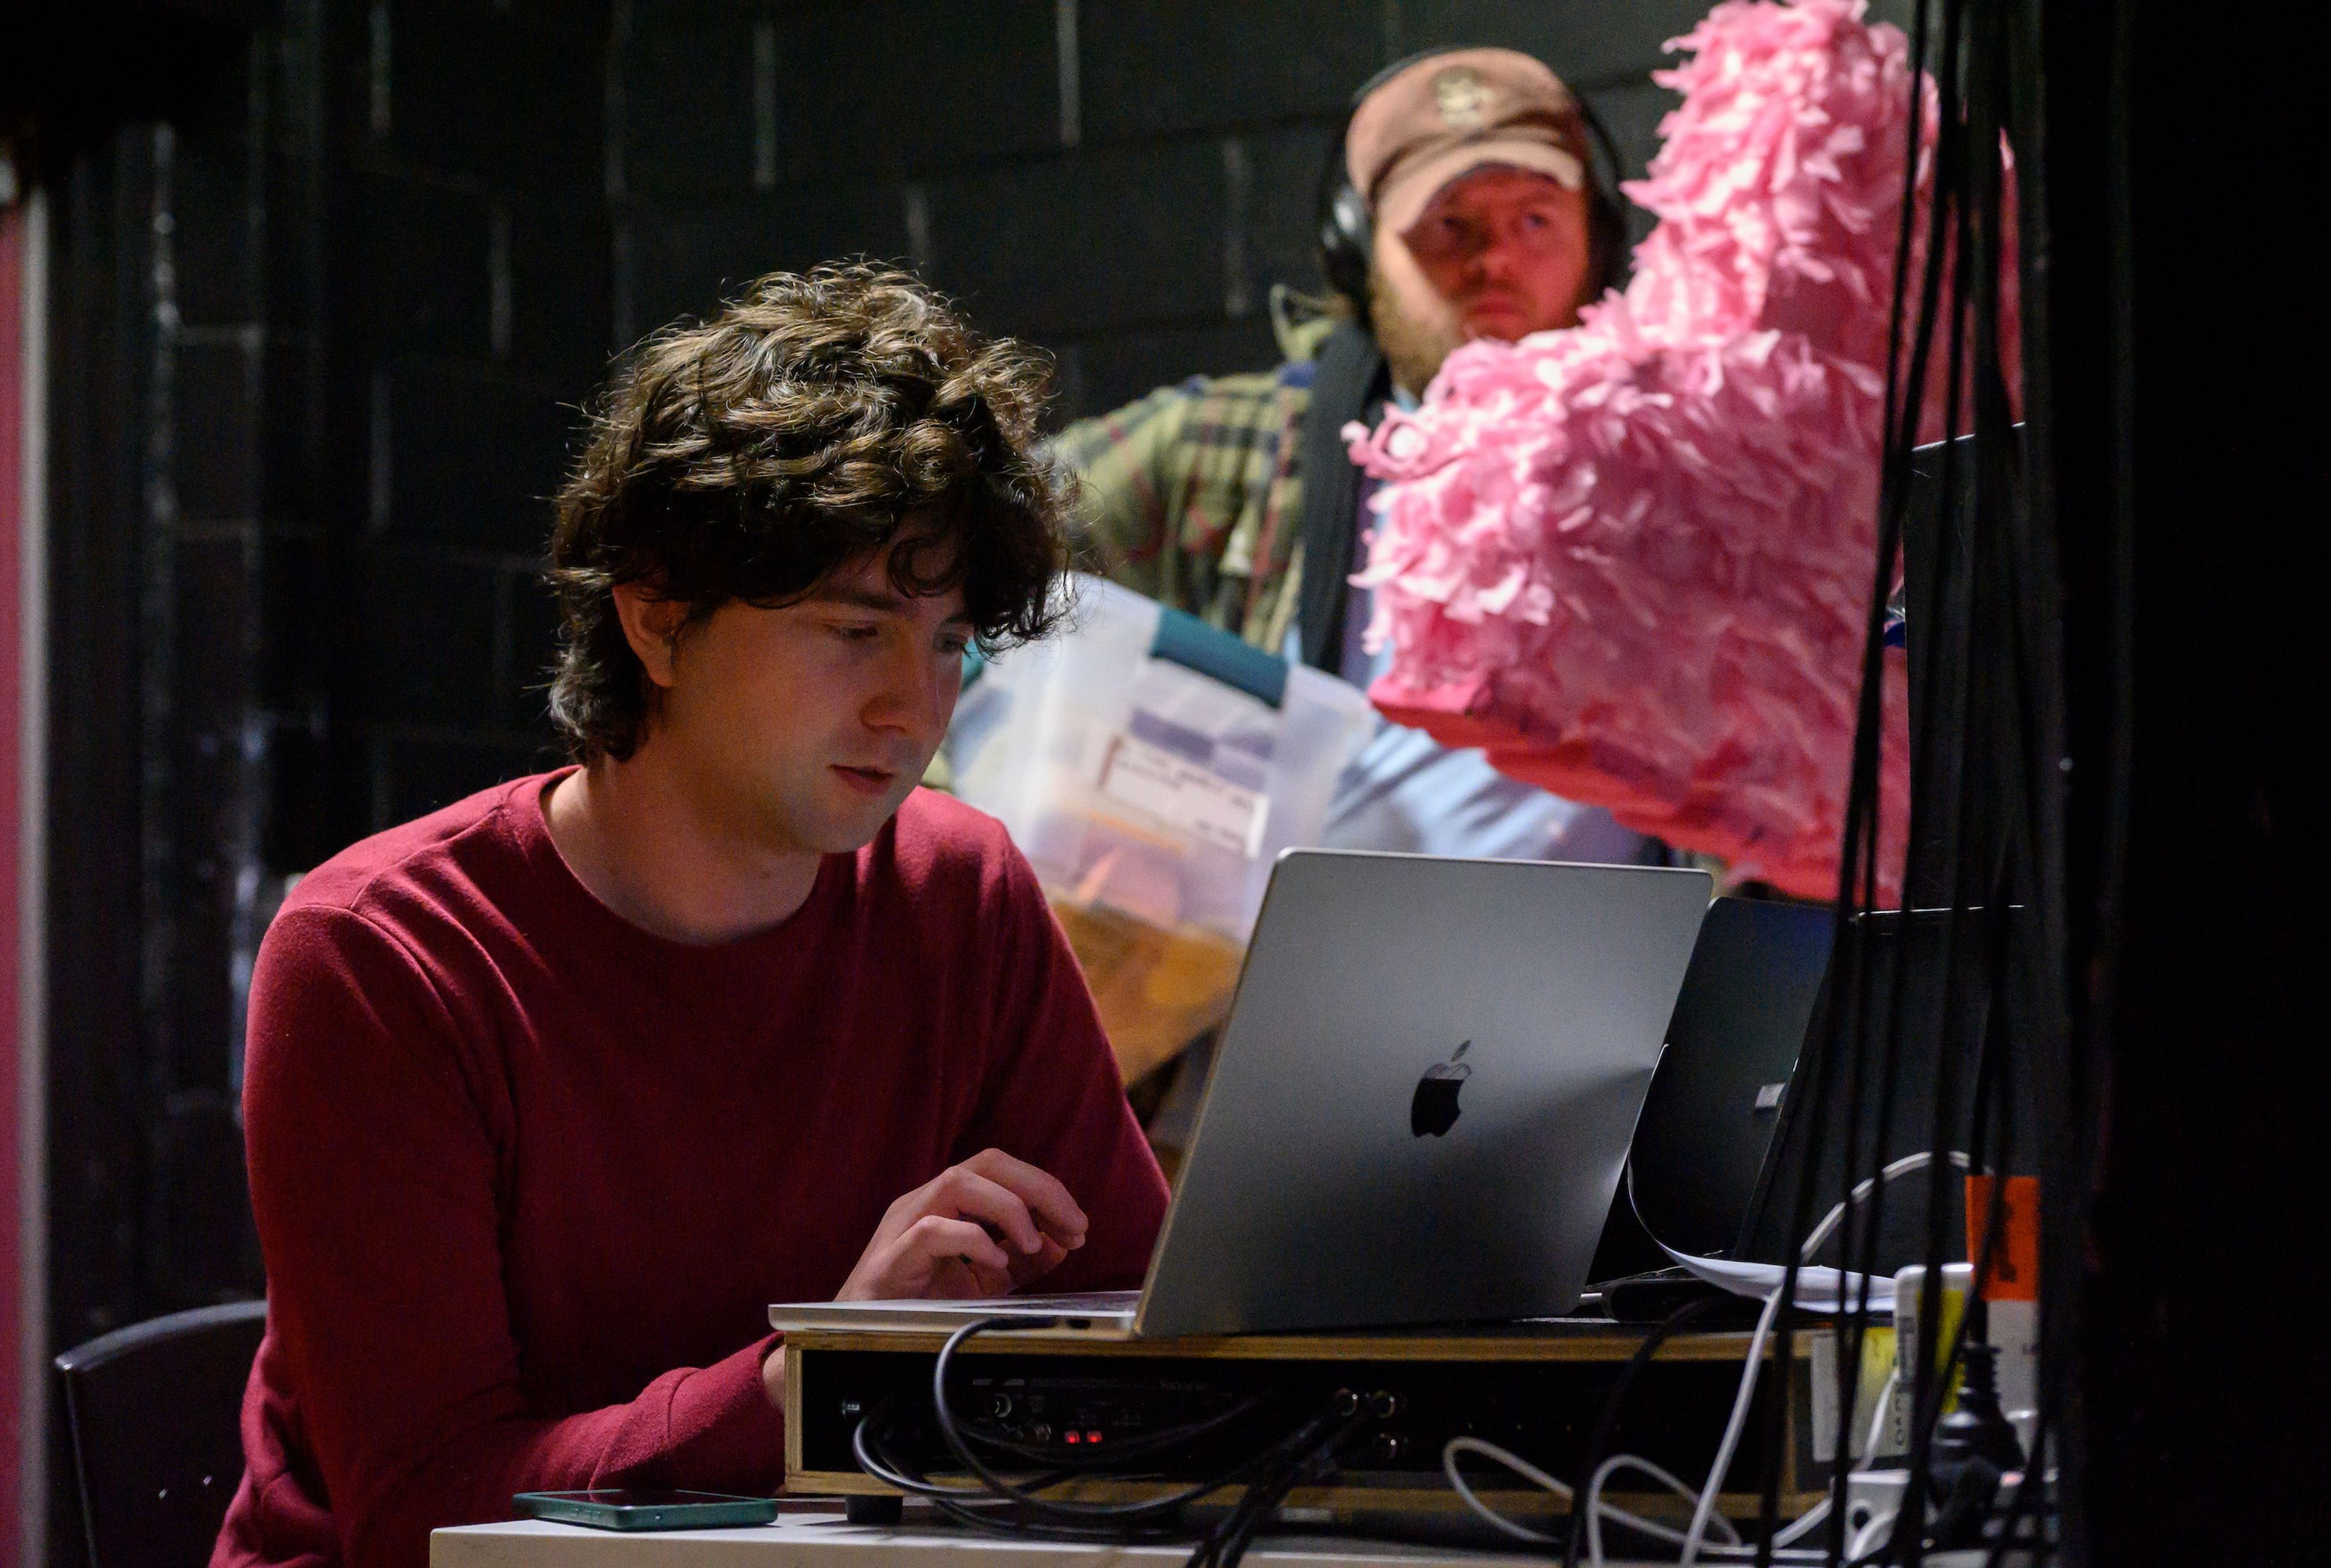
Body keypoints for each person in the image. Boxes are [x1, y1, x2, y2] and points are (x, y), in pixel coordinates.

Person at [212, 263, 1170, 1568]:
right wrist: (808, 1379)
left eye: (950, 643)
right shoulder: (384, 955)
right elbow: (424, 1507)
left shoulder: (964, 893)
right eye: (854, 630)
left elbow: (1136, 1316)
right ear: (657, 622)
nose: (915, 706)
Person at [1051, 50, 1663, 1149]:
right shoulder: (1240, 447)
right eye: (1448, 226)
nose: (1497, 261)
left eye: (1535, 218)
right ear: (1360, 253)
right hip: (1260, 1106)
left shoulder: (1686, 478)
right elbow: (961, 528)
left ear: (1601, 237)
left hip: (1592, 1110)